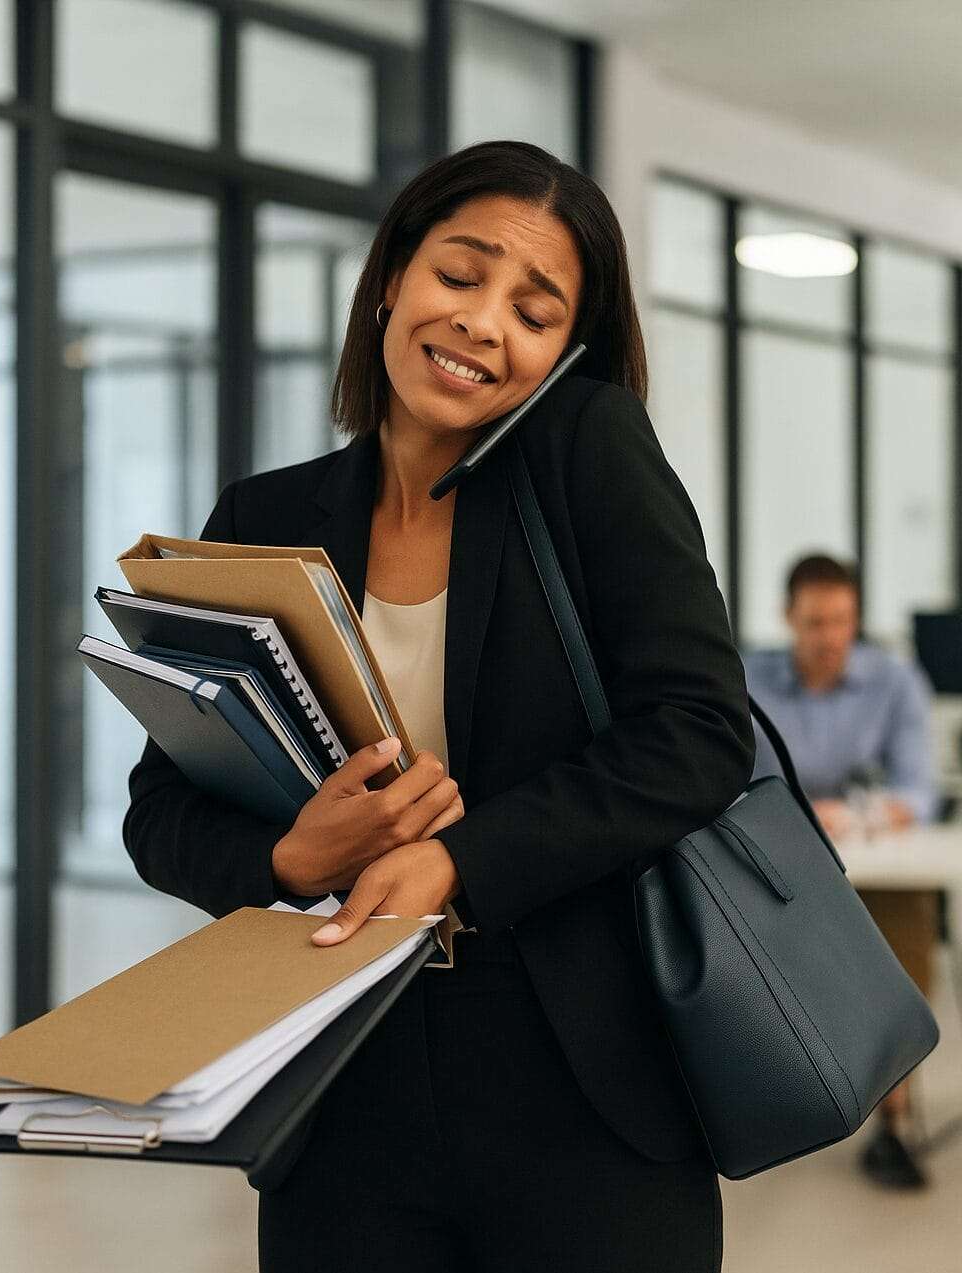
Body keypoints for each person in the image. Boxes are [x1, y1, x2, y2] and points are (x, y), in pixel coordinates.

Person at [123, 139, 754, 1272]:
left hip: (579, 1075)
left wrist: (457, 859)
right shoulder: (265, 514)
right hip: (339, 1074)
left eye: (534, 307)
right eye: (459, 276)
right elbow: (159, 809)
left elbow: (697, 733)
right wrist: (288, 855)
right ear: (392, 281)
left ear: (565, 351)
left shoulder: (589, 457)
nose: (482, 323)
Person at [742, 553, 940, 1191]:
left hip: (871, 854)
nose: (831, 638)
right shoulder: (748, 679)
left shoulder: (895, 680)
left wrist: (853, 813)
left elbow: (918, 791)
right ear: (788, 619)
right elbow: (725, 779)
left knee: (902, 934)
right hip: (777, 855)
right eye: (816, 623)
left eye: (844, 622)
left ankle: (895, 1118)